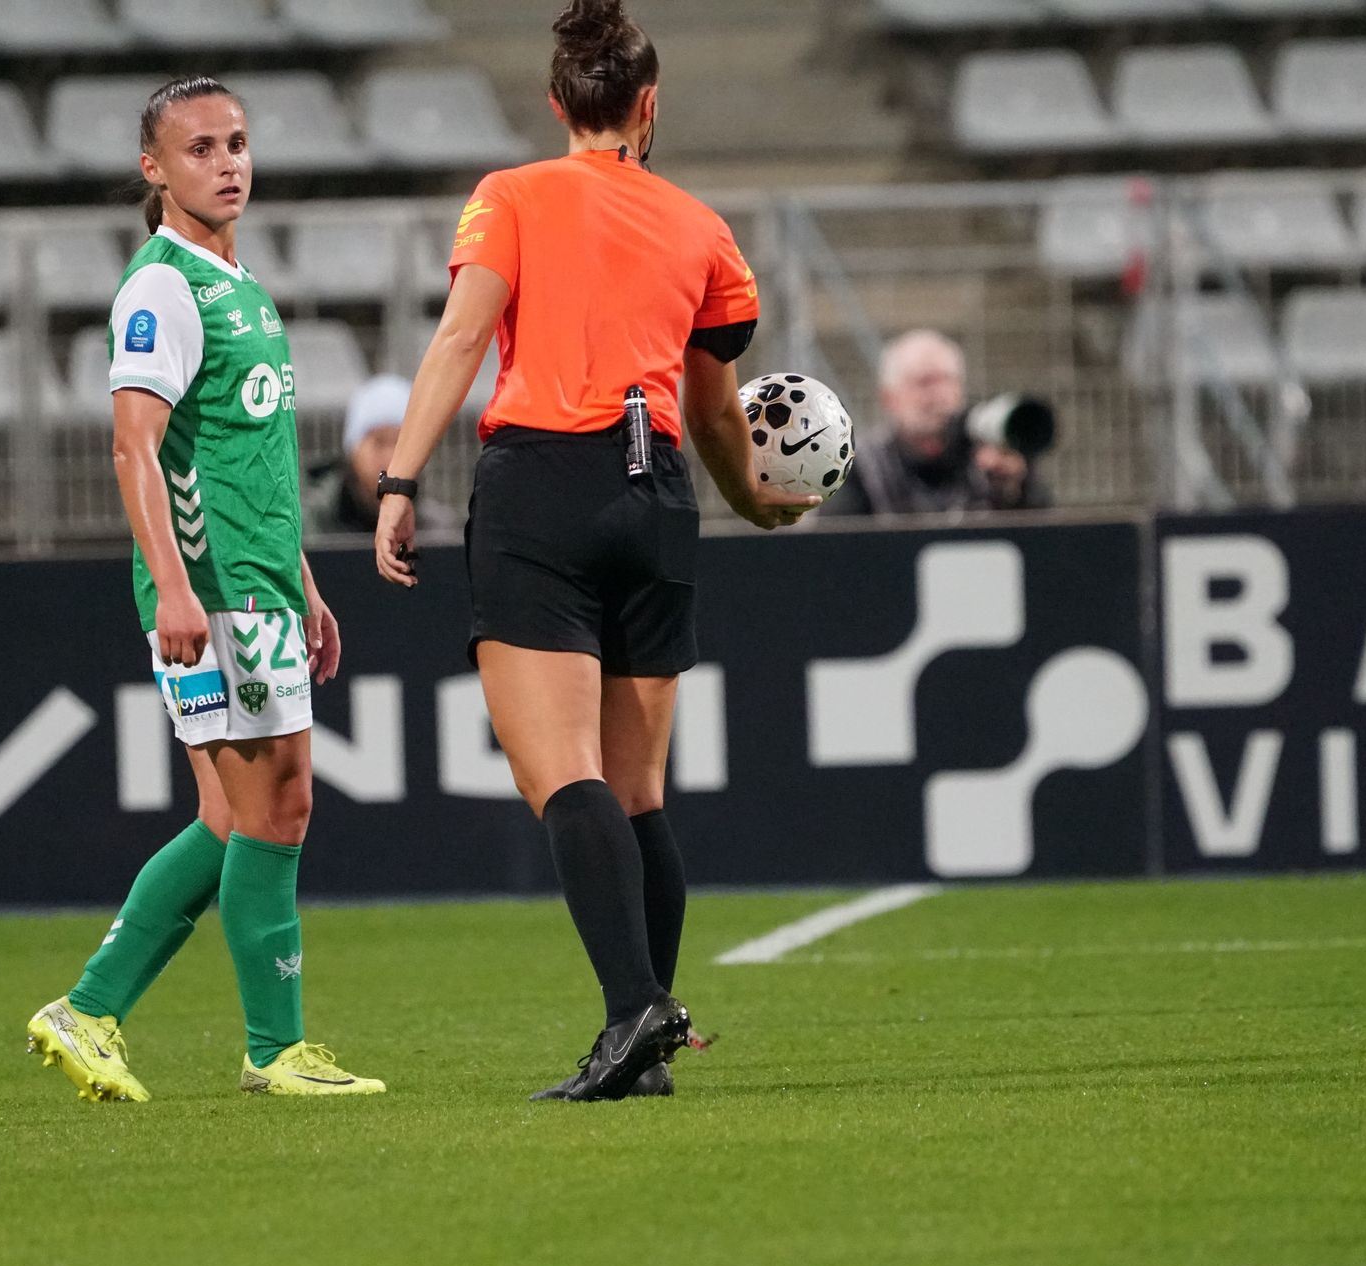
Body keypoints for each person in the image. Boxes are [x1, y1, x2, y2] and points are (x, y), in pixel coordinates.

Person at [372, 0, 816, 1102]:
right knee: (638, 789)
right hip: (656, 494)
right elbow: (715, 411)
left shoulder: (510, 196)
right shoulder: (701, 228)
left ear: (555, 102)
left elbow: (461, 338)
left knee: (560, 775)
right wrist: (757, 503)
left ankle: (634, 1013)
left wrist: (398, 479)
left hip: (543, 485)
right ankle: (643, 1049)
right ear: (647, 105)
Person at [24, 76, 384, 1103]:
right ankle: (275, 1048)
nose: (226, 164)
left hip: (258, 583)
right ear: (153, 168)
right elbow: (132, 448)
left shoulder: (240, 284)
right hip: (213, 594)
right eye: (199, 149)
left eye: (236, 143)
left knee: (231, 819)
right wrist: (176, 590)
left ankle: (88, 1009)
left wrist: (304, 581)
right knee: (281, 803)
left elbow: (248, 457)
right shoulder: (162, 289)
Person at [821, 329, 1053, 517]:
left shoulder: (991, 452)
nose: (939, 395)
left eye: (948, 380)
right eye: (925, 382)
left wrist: (1015, 489)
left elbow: (1045, 534)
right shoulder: (860, 464)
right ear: (890, 398)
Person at [302, 374, 460, 537]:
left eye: (400, 444)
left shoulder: (439, 532)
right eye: (379, 442)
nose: (389, 456)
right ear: (354, 449)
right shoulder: (308, 527)